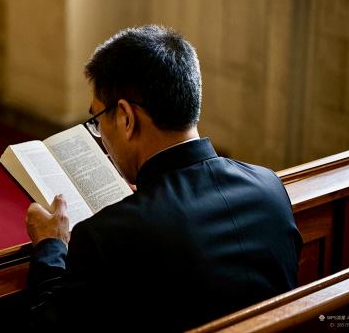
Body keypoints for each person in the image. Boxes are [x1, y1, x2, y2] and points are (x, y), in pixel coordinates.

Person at [25, 25, 302, 332]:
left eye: (97, 120)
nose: (99, 134)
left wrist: (51, 246)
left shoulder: (106, 236)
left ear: (126, 119)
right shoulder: (270, 187)